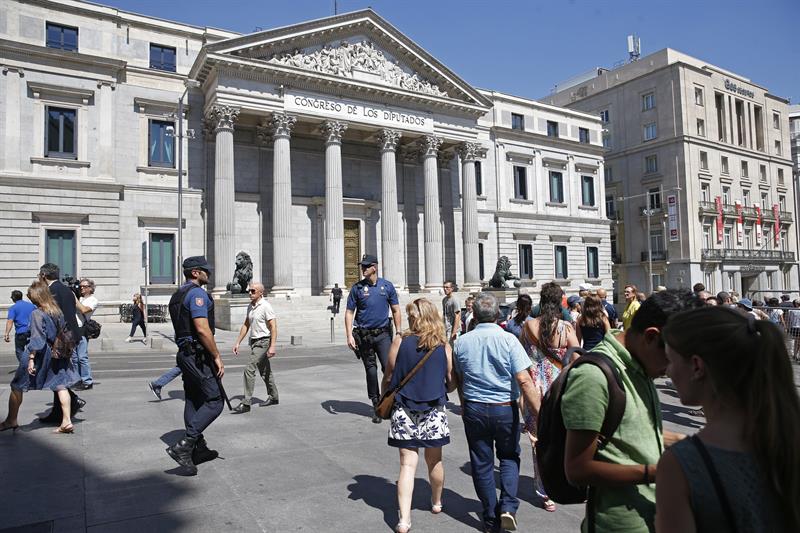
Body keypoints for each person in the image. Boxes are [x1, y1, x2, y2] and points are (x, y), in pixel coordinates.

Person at [561, 290, 700, 533]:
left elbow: (627, 429)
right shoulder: (593, 377)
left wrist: (682, 441)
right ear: (651, 337)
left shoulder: (639, 363)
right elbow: (577, 469)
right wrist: (657, 473)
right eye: (671, 358)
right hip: (619, 526)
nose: (670, 370)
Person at [657, 306, 799, 532]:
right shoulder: (788, 435)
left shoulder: (681, 464)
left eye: (670, 360)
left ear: (697, 366)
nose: (667, 371)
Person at [453, 292, 541, 533]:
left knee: (481, 462)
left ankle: (490, 516)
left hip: (474, 407)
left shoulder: (461, 342)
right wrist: (540, 414)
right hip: (504, 407)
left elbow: (458, 377)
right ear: (497, 315)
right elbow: (524, 380)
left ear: (475, 314)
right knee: (509, 457)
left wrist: (462, 402)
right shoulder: (509, 340)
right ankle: (508, 507)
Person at [381, 298, 456, 533]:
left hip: (404, 408)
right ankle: (436, 501)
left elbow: (389, 374)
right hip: (434, 408)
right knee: (435, 460)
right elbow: (451, 381)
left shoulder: (399, 341)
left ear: (414, 317)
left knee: (407, 465)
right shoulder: (442, 345)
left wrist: (385, 394)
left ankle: (404, 520)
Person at [520, 282, 580, 513]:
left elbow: (522, 357)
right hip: (559, 387)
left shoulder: (528, 326)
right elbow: (576, 357)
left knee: (539, 441)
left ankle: (545, 492)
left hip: (535, 389)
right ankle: (564, 480)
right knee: (563, 435)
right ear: (559, 301)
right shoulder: (566, 328)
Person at [165, 256, 225, 475]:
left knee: (193, 399)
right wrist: (216, 355)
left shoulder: (177, 295)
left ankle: (197, 449)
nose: (208, 274)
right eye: (205, 271)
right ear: (195, 273)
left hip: (185, 354)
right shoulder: (197, 294)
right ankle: (185, 445)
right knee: (215, 400)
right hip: (198, 356)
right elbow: (202, 328)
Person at [1, 281, 80, 434]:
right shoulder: (57, 311)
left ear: (37, 296)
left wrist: (31, 358)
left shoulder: (37, 313)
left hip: (41, 355)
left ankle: (11, 419)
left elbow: (37, 339)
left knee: (17, 385)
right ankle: (67, 421)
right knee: (61, 385)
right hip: (57, 353)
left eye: (30, 296)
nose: (30, 298)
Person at [345, 254, 402, 424]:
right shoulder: (357, 288)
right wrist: (349, 335)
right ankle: (376, 405)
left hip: (383, 334)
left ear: (374, 267)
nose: (363, 269)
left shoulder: (387, 286)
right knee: (371, 371)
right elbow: (349, 313)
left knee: (388, 369)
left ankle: (391, 402)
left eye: (366, 266)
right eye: (362, 266)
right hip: (364, 336)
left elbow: (396, 310)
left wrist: (399, 332)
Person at [37, 263, 85, 424]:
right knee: (58, 371)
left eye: (40, 275)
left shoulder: (50, 292)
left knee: (56, 372)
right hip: (72, 334)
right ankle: (59, 411)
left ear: (44, 275)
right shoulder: (67, 290)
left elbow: (53, 315)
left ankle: (71, 401)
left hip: (60, 336)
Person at [232, 283, 278, 413]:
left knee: (249, 368)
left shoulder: (266, 306)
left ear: (260, 293)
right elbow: (246, 325)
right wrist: (237, 342)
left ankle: (246, 403)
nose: (250, 293)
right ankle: (274, 396)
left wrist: (272, 346)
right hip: (254, 341)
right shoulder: (251, 307)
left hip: (263, 342)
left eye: (253, 291)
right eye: (249, 290)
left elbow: (273, 327)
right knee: (264, 371)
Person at [72, 278, 98, 390]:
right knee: (74, 357)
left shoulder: (93, 300)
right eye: (80, 286)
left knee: (82, 357)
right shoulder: (80, 298)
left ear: (90, 288)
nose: (81, 288)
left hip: (82, 330)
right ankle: (78, 379)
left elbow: (84, 310)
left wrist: (74, 298)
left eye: (84, 286)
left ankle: (87, 381)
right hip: (72, 329)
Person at [4, 290, 35, 367]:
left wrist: (6, 333)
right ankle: (32, 364)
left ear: (13, 298)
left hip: (21, 332)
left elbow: (10, 321)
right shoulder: (31, 306)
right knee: (31, 349)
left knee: (19, 350)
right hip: (32, 331)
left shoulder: (13, 308)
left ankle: (24, 366)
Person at [441, 280, 461, 345]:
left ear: (452, 289)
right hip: (446, 328)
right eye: (444, 287)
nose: (445, 289)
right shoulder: (444, 300)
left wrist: (454, 332)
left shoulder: (455, 300)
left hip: (453, 329)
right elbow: (444, 315)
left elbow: (457, 316)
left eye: (447, 287)